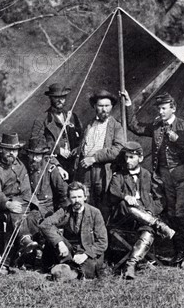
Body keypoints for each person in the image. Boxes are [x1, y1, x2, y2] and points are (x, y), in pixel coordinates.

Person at [120, 90, 184, 267]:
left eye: (164, 109)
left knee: (182, 213)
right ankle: (178, 252)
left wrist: (177, 139)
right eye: (159, 109)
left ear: (173, 108)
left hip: (182, 176)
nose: (160, 112)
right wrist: (128, 105)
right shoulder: (156, 125)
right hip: (164, 177)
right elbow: (135, 126)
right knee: (171, 214)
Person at [108, 142, 175, 279]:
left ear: (140, 158)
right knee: (127, 205)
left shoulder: (148, 175)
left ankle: (130, 265)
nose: (128, 161)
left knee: (148, 231)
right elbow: (112, 193)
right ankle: (160, 225)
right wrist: (125, 196)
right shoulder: (119, 175)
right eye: (126, 157)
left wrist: (150, 211)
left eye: (132, 157)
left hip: (144, 218)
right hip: (124, 218)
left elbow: (160, 199)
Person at [0, 133, 41, 270]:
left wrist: (27, 203)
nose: (12, 153)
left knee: (35, 216)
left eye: (15, 150)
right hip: (4, 205)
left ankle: (21, 258)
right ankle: (23, 242)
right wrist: (7, 203)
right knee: (15, 213)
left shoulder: (20, 165)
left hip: (23, 201)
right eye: (8, 150)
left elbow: (26, 189)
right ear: (1, 150)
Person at [39, 181, 108, 279]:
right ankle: (65, 269)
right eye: (73, 197)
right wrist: (60, 243)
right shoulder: (65, 211)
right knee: (52, 237)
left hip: (88, 252)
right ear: (68, 199)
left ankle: (66, 271)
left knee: (87, 270)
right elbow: (45, 225)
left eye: (79, 197)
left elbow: (103, 242)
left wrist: (85, 255)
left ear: (85, 197)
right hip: (70, 250)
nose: (77, 201)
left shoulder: (95, 213)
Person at [75, 90, 125, 218]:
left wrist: (95, 158)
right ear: (94, 106)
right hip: (85, 169)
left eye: (107, 106)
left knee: (102, 203)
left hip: (102, 171)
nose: (104, 109)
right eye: (101, 106)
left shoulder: (116, 126)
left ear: (112, 107)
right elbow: (83, 145)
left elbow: (118, 149)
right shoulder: (89, 124)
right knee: (85, 200)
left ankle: (102, 234)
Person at [31, 83, 83, 177]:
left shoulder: (72, 116)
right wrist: (58, 150)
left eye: (62, 97)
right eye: (56, 97)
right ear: (50, 98)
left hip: (73, 163)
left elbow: (82, 137)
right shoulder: (42, 119)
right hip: (54, 164)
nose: (60, 100)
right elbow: (36, 143)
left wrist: (77, 148)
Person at [25, 137, 68, 218]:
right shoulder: (24, 164)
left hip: (46, 209)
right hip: (28, 206)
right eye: (32, 154)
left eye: (37, 155)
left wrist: (61, 215)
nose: (34, 158)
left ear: (43, 156)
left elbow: (64, 193)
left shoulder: (51, 169)